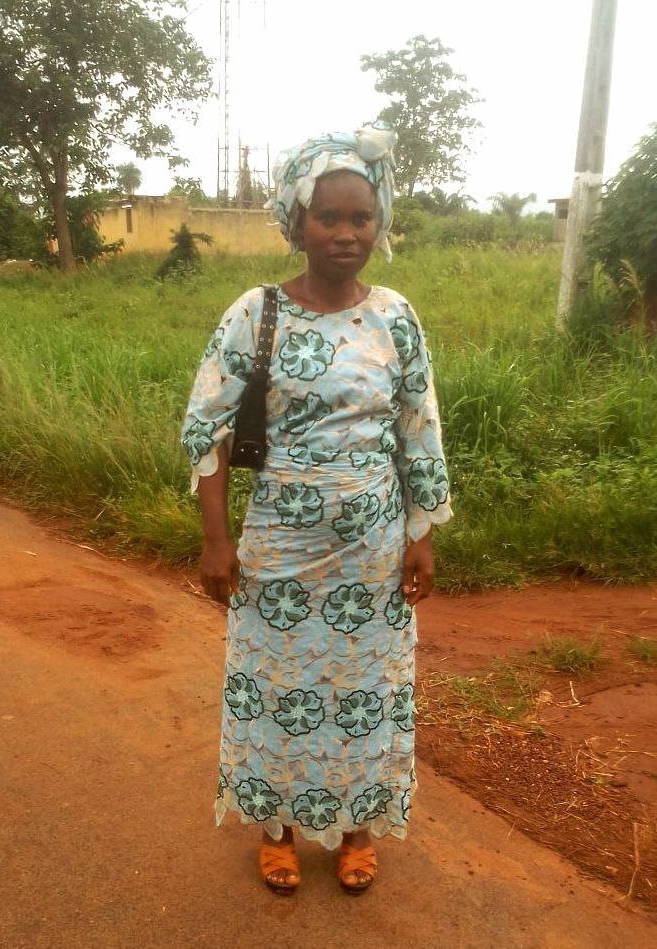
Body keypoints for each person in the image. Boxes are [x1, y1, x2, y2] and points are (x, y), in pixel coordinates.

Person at [180, 124, 452, 894]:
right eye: (328, 216)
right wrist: (215, 540)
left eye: (360, 217)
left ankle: (358, 829)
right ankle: (278, 829)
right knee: (278, 687)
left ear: (379, 220)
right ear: (296, 221)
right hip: (280, 552)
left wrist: (421, 532)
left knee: (365, 692)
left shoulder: (395, 316)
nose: (345, 232)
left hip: (372, 553)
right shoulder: (256, 313)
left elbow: (418, 426)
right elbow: (208, 427)